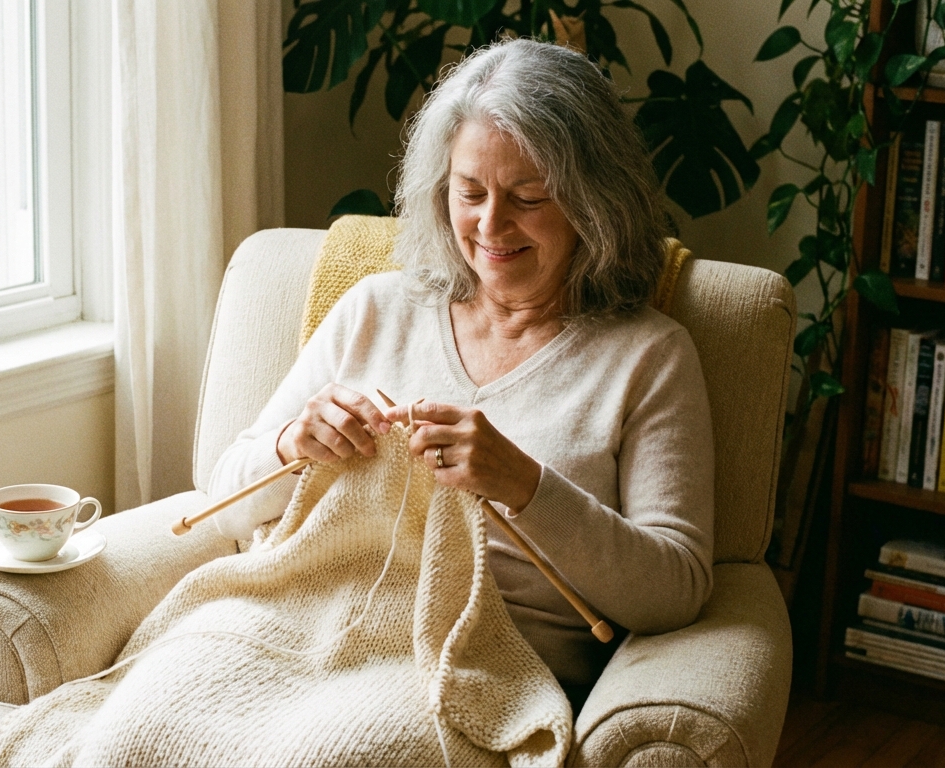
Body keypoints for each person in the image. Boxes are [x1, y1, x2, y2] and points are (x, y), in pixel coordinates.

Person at [209, 38, 714, 697]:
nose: (491, 225)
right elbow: (222, 503)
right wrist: (292, 446)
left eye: (529, 196)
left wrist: (525, 484)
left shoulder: (648, 357)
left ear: (594, 202)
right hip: (296, 630)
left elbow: (675, 589)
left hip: (466, 672)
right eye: (468, 192)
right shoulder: (374, 309)